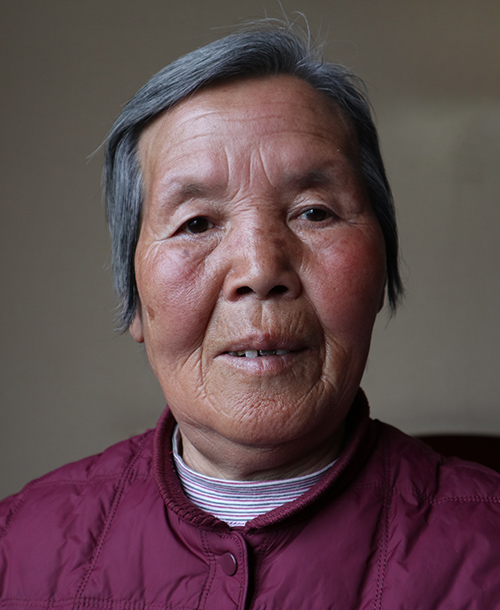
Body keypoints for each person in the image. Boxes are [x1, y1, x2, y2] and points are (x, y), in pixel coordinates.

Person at [1, 23, 499, 609]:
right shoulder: (16, 550)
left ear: (380, 267)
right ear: (134, 300)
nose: (261, 271)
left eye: (315, 212)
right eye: (196, 223)